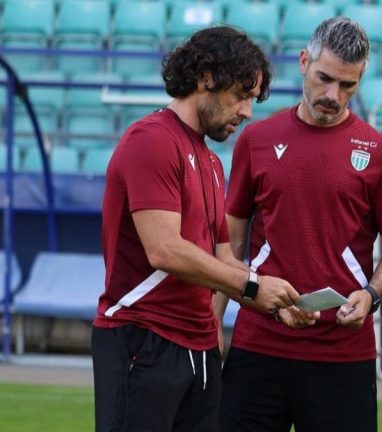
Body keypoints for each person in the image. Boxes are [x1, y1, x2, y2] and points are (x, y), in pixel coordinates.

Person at [91, 26, 301, 432]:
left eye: (252, 100)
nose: (247, 112)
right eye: (241, 95)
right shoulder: (151, 140)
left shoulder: (211, 161)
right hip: (143, 339)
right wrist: (254, 288)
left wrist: (275, 301)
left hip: (201, 347)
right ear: (206, 77)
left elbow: (223, 257)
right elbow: (165, 250)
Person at [217, 17, 382, 432]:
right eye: (324, 78)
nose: (332, 95)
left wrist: (371, 295)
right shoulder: (257, 139)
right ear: (304, 62)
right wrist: (212, 322)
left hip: (343, 354)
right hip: (258, 346)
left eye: (347, 86)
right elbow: (229, 244)